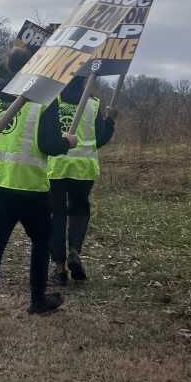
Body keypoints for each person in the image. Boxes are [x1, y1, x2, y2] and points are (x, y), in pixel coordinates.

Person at [0, 47, 77, 338]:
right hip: (28, 186)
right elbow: (49, 145)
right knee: (42, 240)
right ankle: (38, 299)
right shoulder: (45, 97)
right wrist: (68, 141)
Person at [48, 75, 117, 286]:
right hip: (83, 169)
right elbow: (100, 139)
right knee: (79, 211)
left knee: (56, 216)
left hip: (56, 168)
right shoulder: (93, 105)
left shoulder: (52, 101)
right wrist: (110, 121)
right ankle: (74, 251)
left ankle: (59, 269)